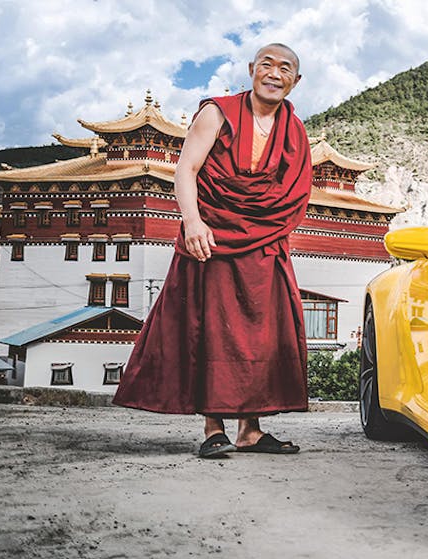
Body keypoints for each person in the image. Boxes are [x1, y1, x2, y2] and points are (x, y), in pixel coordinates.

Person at [113, 44, 312, 458]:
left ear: (296, 80)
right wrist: (193, 222)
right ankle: (212, 428)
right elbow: (186, 169)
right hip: (212, 237)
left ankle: (251, 431)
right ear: (251, 70)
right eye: (267, 66)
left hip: (262, 242)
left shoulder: (293, 129)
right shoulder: (217, 113)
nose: (274, 74)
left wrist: (267, 230)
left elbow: (293, 192)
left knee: (259, 335)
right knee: (212, 331)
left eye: (285, 69)